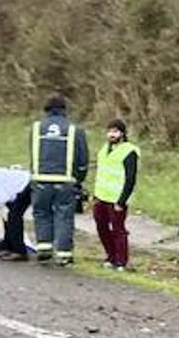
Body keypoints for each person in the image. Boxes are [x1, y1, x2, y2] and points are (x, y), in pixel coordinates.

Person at [30, 94, 88, 265]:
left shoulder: (36, 128)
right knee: (64, 215)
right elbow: (82, 158)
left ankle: (44, 247)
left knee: (41, 213)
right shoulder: (74, 130)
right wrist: (79, 178)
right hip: (65, 180)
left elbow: (33, 152)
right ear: (64, 110)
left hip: (40, 178)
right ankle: (63, 254)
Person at [92, 118, 140, 270]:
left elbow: (130, 179)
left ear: (123, 133)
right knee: (102, 228)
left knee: (118, 230)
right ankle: (110, 256)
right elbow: (101, 173)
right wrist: (95, 196)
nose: (112, 135)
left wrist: (122, 201)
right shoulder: (104, 149)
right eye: (110, 131)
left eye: (115, 131)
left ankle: (121, 261)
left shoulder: (129, 151)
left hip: (116, 199)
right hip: (101, 197)